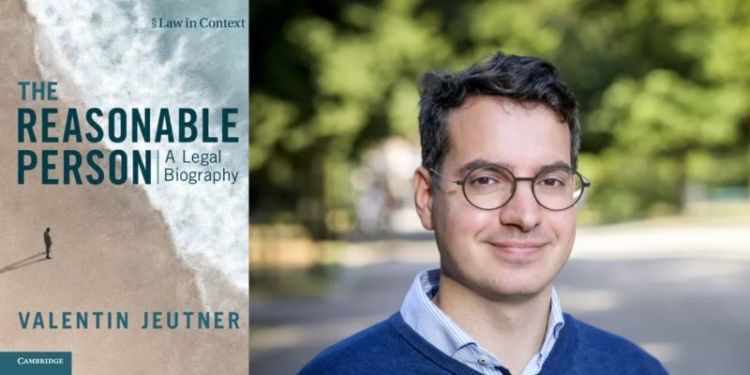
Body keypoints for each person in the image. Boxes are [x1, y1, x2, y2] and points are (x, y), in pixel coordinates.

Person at [299, 51, 668, 375]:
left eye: (550, 181)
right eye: (487, 180)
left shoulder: (636, 369)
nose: (525, 215)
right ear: (427, 197)